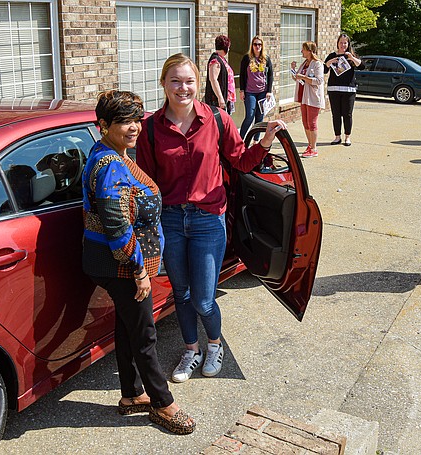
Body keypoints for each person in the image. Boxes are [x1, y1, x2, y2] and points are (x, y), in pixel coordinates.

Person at [136, 53, 286, 383]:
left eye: (189, 81)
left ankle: (214, 344)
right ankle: (192, 350)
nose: (182, 87)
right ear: (163, 84)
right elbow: (146, 181)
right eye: (175, 80)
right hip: (171, 220)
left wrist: (266, 141)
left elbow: (241, 162)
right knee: (182, 294)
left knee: (204, 299)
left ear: (198, 84)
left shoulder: (217, 119)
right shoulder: (150, 128)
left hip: (207, 220)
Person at [82, 90, 196, 434]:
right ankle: (162, 404)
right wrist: (139, 271)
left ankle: (131, 394)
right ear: (103, 125)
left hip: (114, 263)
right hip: (124, 266)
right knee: (145, 334)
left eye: (136, 120)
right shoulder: (110, 166)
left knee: (129, 325)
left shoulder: (106, 152)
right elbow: (117, 227)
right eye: (123, 122)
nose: (133, 127)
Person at [323, 33, 365, 147]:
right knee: (336, 114)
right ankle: (337, 137)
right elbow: (324, 70)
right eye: (341, 42)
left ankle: (347, 137)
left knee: (347, 114)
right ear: (337, 43)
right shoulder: (332, 55)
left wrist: (351, 58)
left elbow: (362, 66)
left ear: (348, 44)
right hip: (334, 89)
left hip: (349, 90)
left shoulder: (351, 55)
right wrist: (329, 63)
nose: (343, 45)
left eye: (345, 43)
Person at [290, 41, 324, 157]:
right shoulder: (305, 63)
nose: (301, 51)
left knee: (312, 123)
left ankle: (314, 148)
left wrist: (303, 77)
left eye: (303, 49)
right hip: (303, 96)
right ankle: (310, 145)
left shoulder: (317, 64)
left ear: (309, 51)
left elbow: (319, 81)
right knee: (305, 122)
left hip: (313, 97)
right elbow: (298, 79)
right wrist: (293, 70)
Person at [239, 35, 275, 142]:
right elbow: (242, 75)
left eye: (260, 44)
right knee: (250, 115)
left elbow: (270, 75)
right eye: (255, 44)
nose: (257, 46)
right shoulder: (247, 58)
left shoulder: (266, 59)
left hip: (262, 92)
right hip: (250, 92)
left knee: (259, 117)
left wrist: (269, 91)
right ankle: (240, 139)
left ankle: (256, 140)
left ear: (262, 46)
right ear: (252, 46)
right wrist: (242, 90)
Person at [204, 35, 236, 114]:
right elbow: (213, 80)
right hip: (217, 100)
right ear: (225, 47)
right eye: (228, 47)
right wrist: (220, 98)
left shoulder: (221, 58)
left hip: (226, 97)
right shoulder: (215, 61)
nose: (228, 49)